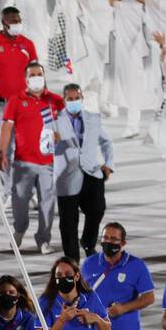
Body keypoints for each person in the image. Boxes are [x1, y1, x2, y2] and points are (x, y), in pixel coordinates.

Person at [0, 62, 64, 255]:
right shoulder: (16, 100)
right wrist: (3, 153)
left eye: (39, 74)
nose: (36, 77)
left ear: (44, 77)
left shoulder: (56, 101)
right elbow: (6, 128)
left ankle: (43, 239)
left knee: (47, 204)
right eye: (32, 74)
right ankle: (19, 230)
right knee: (19, 200)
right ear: (26, 78)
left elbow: (66, 127)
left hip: (48, 164)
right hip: (23, 162)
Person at [55, 82, 113, 261]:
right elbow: (43, 148)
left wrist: (108, 165)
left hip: (92, 173)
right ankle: (72, 259)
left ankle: (88, 241)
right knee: (68, 222)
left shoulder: (93, 118)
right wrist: (52, 142)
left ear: (82, 98)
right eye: (70, 99)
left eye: (76, 98)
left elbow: (106, 142)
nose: (74, 101)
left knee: (97, 210)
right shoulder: (54, 121)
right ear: (64, 100)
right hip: (66, 176)